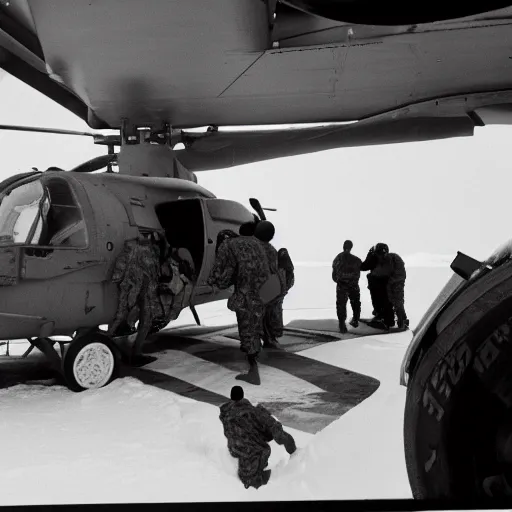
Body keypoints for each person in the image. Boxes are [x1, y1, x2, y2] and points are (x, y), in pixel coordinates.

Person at [207, 228, 275, 385]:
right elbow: (267, 269)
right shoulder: (258, 244)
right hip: (259, 295)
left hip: (244, 295)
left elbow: (221, 270)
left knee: (246, 331)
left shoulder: (228, 245)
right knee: (255, 328)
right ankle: (254, 361)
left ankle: (253, 372)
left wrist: (213, 281)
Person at [219, 386, 297, 489]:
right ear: (242, 396)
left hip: (235, 449)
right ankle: (258, 483)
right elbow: (275, 429)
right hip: (254, 452)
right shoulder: (253, 412)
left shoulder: (225, 412)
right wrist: (292, 449)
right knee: (260, 455)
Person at [253, 220, 288, 349]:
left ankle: (262, 338)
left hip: (252, 286)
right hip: (266, 287)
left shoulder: (250, 247)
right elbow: (273, 271)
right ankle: (269, 338)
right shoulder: (271, 250)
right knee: (269, 313)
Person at [362, 243, 409, 330]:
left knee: (397, 300)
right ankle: (384, 317)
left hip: (396, 281)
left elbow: (387, 272)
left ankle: (402, 322)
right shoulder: (383, 258)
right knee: (386, 299)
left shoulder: (391, 259)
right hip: (391, 280)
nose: (379, 256)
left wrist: (373, 277)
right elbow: (372, 269)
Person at [360, 244, 394, 327]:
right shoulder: (389, 258)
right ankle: (388, 319)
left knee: (378, 300)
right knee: (386, 300)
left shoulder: (374, 257)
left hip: (376, 282)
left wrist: (369, 254)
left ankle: (383, 319)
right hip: (387, 282)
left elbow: (363, 267)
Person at [332, 240, 362, 333]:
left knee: (341, 305)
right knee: (355, 303)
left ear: (343, 246)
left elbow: (334, 274)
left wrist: (339, 281)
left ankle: (342, 324)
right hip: (353, 285)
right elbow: (358, 272)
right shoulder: (356, 260)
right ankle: (355, 320)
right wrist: (353, 281)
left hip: (342, 285)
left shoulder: (338, 258)